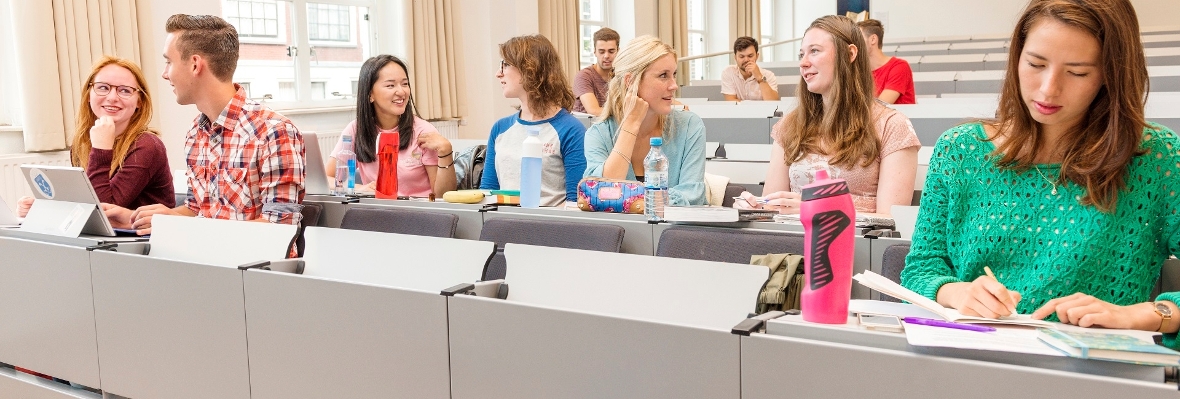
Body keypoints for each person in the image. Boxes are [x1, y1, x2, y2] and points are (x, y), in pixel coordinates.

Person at [901, 0, 1180, 345]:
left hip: (1095, 373)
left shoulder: (1156, 158)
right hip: (971, 358)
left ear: (1111, 74)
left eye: (1078, 72)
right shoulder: (960, 151)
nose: (1048, 89)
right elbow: (920, 269)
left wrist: (1147, 314)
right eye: (1035, 63)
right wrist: (953, 292)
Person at [104, 14, 305, 235]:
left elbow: (281, 229)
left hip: (251, 267)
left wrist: (183, 225)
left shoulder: (274, 131)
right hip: (201, 258)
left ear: (195, 65)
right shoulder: (195, 133)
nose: (164, 73)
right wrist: (137, 219)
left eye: (169, 62)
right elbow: (198, 210)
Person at [734, 16, 920, 215]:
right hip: (791, 243)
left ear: (850, 54)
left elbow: (891, 222)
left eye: (814, 51)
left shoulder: (892, 125)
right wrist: (756, 207)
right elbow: (771, 205)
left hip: (858, 245)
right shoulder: (790, 125)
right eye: (801, 54)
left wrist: (814, 210)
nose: (803, 63)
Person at [16, 56, 174, 217]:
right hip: (105, 238)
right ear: (88, 95)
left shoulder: (148, 146)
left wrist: (101, 149)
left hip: (143, 238)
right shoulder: (82, 144)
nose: (112, 97)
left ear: (139, 101)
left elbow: (102, 210)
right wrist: (46, 208)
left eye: (125, 90)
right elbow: (85, 202)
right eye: (103, 88)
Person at [584, 35, 706, 206]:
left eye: (674, 75)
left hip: (675, 231)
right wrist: (631, 126)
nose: (674, 85)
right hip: (623, 232)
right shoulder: (598, 135)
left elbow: (693, 195)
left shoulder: (689, 126)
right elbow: (601, 195)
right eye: (663, 75)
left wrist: (632, 199)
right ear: (630, 81)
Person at [325, 55, 456, 197]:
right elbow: (326, 179)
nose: (401, 92)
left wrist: (445, 152)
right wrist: (359, 188)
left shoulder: (423, 132)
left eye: (405, 84)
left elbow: (442, 196)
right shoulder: (356, 130)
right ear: (370, 94)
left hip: (418, 215)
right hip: (378, 212)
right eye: (390, 85)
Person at [480, 35, 587, 206]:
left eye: (505, 65)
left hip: (550, 228)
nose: (498, 73)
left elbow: (576, 203)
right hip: (505, 226)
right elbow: (487, 195)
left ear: (530, 69)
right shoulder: (500, 129)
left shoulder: (571, 130)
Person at [857, 19, 916, 104]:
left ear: (873, 39)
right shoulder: (860, 71)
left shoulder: (899, 66)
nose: (854, 43)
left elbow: (881, 106)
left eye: (858, 38)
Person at [573, 27, 619, 115]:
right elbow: (594, 111)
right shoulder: (584, 76)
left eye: (611, 51)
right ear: (595, 52)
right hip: (588, 127)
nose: (606, 56)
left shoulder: (621, 75)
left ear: (618, 51)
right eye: (601, 52)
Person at [720, 36, 780, 102]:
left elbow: (773, 102)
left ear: (757, 56)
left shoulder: (769, 75)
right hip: (737, 112)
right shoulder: (728, 72)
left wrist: (759, 77)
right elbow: (731, 101)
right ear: (735, 57)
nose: (746, 60)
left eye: (750, 56)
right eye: (741, 56)